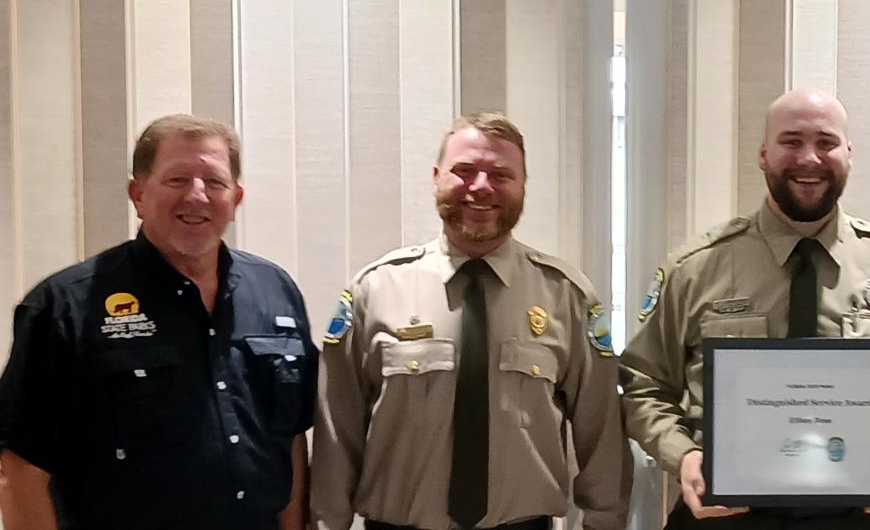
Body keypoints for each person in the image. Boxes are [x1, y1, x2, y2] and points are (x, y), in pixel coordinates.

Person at [619, 89, 870, 529]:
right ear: (763, 154)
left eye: (827, 143)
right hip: (723, 514)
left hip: (850, 515)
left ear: (849, 154)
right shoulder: (697, 268)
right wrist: (684, 456)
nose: (810, 158)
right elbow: (643, 385)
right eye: (791, 141)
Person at [311, 112, 631, 530]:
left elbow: (602, 434)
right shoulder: (376, 290)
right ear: (436, 177)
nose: (481, 187)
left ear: (523, 187)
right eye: (464, 171)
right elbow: (338, 430)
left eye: (501, 174)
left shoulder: (566, 296)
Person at [0, 114, 317, 529]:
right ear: (138, 194)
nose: (197, 196)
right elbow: (20, 470)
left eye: (215, 182)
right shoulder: (66, 305)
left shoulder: (275, 290)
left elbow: (290, 439)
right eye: (177, 180)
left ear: (236, 198)